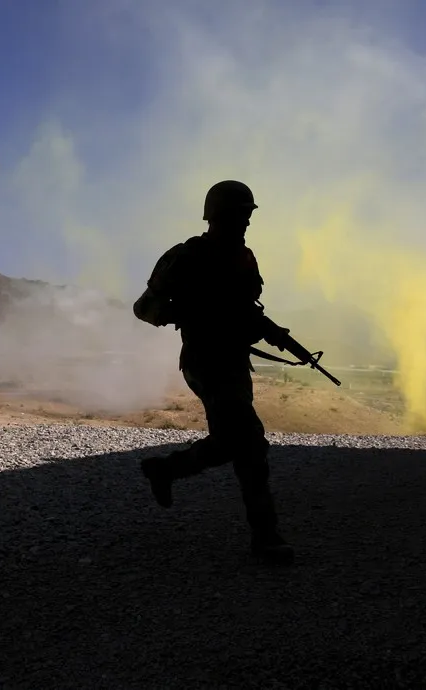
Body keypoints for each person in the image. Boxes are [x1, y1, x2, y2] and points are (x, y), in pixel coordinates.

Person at [132, 180, 296, 565]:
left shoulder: (245, 258)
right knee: (251, 443)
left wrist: (271, 333)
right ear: (218, 215)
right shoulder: (187, 256)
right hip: (204, 361)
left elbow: (244, 311)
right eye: (240, 214)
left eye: (248, 215)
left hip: (235, 363)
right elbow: (144, 307)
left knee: (232, 442)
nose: (246, 223)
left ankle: (165, 470)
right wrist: (183, 313)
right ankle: (266, 538)